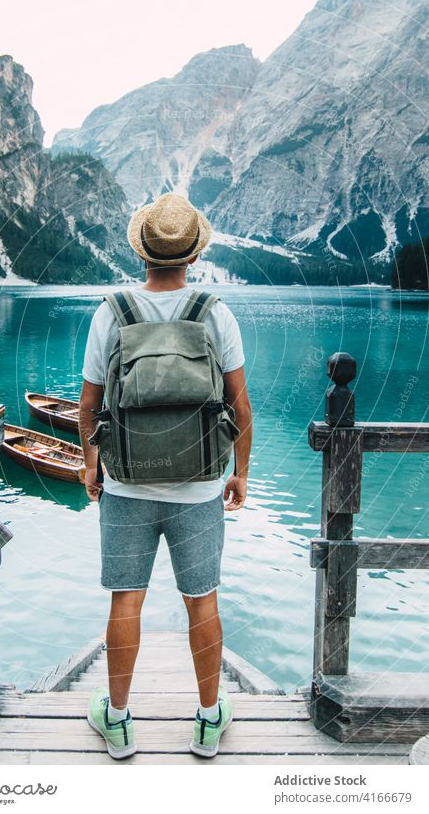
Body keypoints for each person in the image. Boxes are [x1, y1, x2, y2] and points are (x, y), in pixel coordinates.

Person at [80, 192, 252, 759]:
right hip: (201, 485)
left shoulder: (112, 311)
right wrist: (240, 474)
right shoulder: (214, 312)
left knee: (124, 602)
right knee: (202, 601)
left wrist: (90, 464)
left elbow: (88, 407)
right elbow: (241, 407)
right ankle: (207, 721)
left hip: (127, 483)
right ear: (192, 257)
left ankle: (120, 722)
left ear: (143, 254)